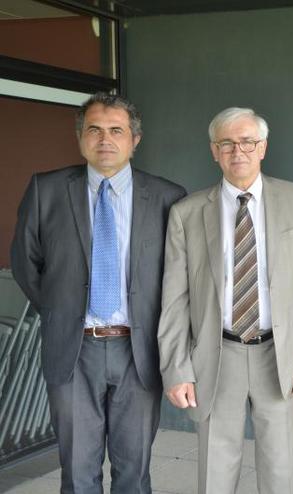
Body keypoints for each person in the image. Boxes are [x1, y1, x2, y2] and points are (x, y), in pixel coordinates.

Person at [10, 92, 186, 493]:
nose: (105, 139)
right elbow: (26, 263)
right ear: (80, 137)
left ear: (134, 139)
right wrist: (62, 311)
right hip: (74, 351)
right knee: (77, 471)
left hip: (138, 352)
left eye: (116, 130)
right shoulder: (46, 190)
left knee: (134, 471)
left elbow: (180, 276)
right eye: (94, 130)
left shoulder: (167, 198)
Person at [157, 107, 293, 494]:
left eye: (248, 141)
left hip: (279, 353)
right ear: (213, 151)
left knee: (280, 470)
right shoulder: (187, 213)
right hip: (218, 354)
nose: (239, 151)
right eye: (227, 143)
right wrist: (176, 368)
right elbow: (174, 300)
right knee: (215, 471)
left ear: (263, 147)